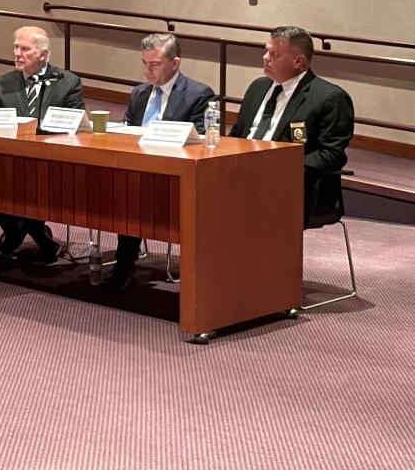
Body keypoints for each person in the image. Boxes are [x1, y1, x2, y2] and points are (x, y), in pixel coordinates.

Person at [107, 33, 215, 290]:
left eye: (154, 64)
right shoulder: (140, 92)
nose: (147, 70)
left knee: (133, 195)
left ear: (175, 63)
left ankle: (124, 265)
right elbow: (127, 131)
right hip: (136, 167)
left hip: (174, 173)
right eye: (144, 63)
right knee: (122, 187)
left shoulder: (198, 94)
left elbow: (199, 140)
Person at [229, 25, 354, 220]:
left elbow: (331, 154)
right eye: (266, 50)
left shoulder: (329, 97)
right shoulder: (258, 87)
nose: (265, 57)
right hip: (243, 175)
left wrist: (278, 170)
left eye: (274, 54)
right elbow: (237, 135)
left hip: (293, 185)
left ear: (298, 61)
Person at [0, 25, 84, 261]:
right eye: (15, 47)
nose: (18, 53)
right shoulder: (1, 83)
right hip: (9, 160)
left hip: (53, 162)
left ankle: (16, 234)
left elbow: (76, 126)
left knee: (34, 181)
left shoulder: (68, 82)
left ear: (43, 53)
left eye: (25, 49)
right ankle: (36, 235)